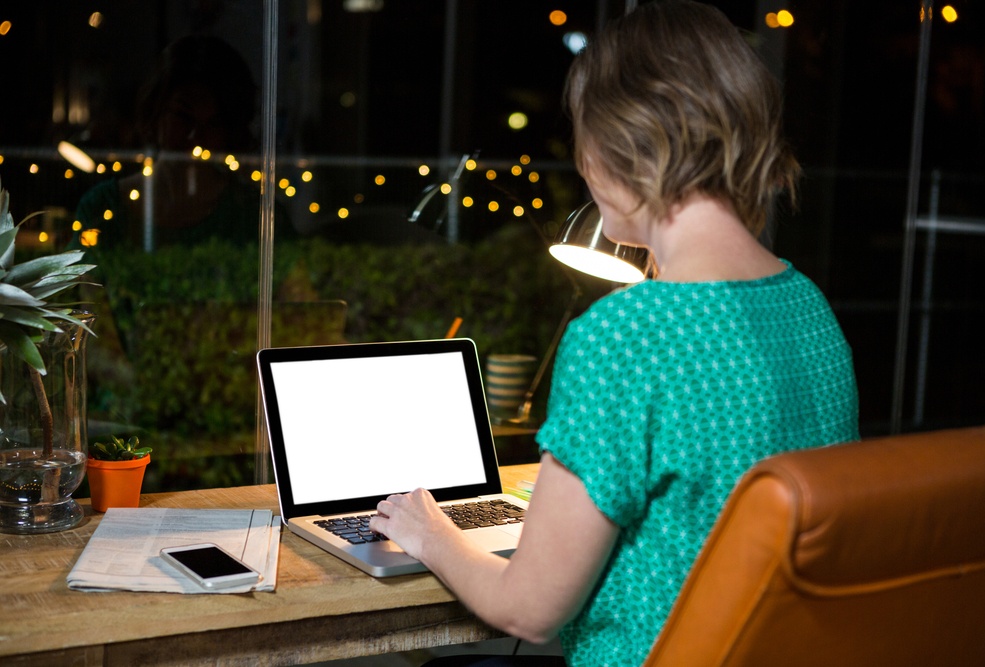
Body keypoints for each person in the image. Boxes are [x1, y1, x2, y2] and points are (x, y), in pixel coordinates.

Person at [369, 2, 859, 666]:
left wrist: (429, 531)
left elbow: (528, 609)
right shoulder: (810, 310)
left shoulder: (625, 336)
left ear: (616, 146)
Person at [72, 34, 277, 251]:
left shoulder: (255, 215)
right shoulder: (102, 208)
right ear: (157, 111)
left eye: (213, 123)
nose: (195, 136)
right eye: (183, 116)